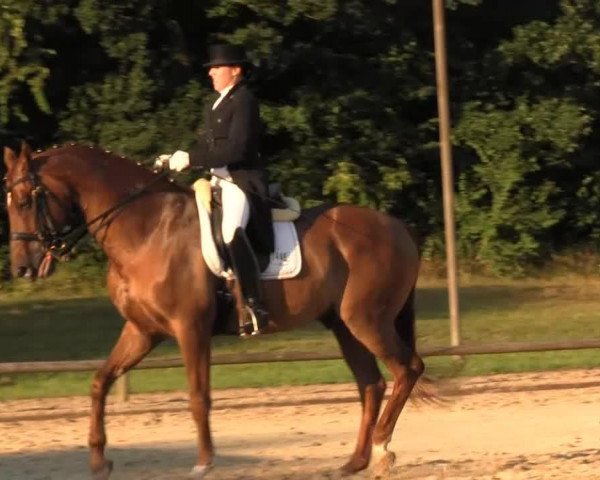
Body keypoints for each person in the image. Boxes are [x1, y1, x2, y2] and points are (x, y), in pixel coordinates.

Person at [159, 43, 271, 336]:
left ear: (235, 71)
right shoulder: (214, 104)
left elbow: (237, 149)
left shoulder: (244, 101)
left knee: (232, 231)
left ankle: (254, 305)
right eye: (211, 68)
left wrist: (192, 159)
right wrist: (176, 157)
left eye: (217, 67)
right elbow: (210, 149)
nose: (210, 72)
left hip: (240, 182)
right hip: (216, 182)